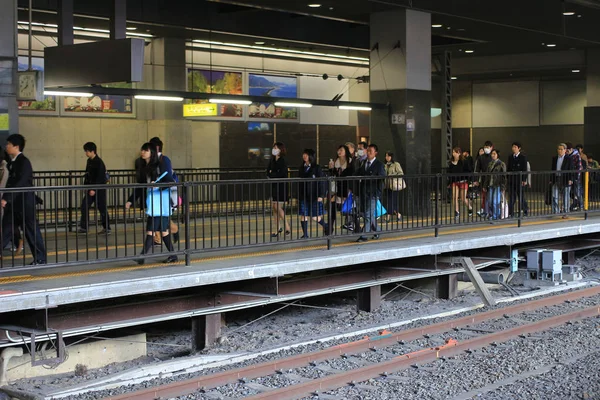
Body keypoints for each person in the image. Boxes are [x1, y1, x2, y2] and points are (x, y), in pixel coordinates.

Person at [125, 142, 177, 264]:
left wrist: (157, 186)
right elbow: (140, 186)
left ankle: (142, 257)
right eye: (142, 150)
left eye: (146, 150)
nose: (142, 152)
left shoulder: (160, 164)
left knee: (151, 230)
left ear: (152, 152)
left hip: (161, 203)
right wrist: (130, 200)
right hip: (154, 203)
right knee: (163, 231)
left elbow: (169, 181)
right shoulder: (144, 167)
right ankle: (173, 255)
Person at [0, 134, 47, 265]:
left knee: (31, 231)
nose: (7, 147)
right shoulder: (13, 162)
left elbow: (21, 182)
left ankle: (40, 258)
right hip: (14, 204)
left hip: (25, 204)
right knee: (6, 230)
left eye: (9, 144)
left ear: (16, 146)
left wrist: (6, 198)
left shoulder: (23, 162)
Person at [77, 142, 111, 235]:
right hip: (90, 188)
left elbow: (100, 177)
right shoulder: (89, 161)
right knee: (84, 206)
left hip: (98, 189)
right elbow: (88, 175)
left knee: (102, 208)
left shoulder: (99, 162)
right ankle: (84, 227)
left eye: (87, 151)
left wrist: (94, 189)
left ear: (92, 151)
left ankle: (107, 228)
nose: (86, 153)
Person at [356, 144, 386, 242]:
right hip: (364, 192)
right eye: (367, 151)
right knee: (368, 214)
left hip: (373, 193)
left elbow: (382, 178)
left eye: (370, 151)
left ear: (375, 153)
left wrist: (378, 192)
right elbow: (358, 173)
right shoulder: (364, 162)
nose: (368, 153)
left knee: (368, 214)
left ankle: (364, 235)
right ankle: (377, 231)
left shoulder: (379, 164)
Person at [298, 149, 328, 238]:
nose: (304, 156)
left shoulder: (317, 168)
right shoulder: (302, 167)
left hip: (314, 195)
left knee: (315, 216)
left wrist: (321, 195)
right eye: (304, 154)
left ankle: (326, 226)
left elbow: (321, 182)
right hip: (304, 194)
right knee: (303, 214)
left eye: (307, 154)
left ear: (311, 156)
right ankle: (305, 234)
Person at [266, 142, 290, 238]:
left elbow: (281, 174)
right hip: (274, 186)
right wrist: (272, 173)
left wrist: (273, 174)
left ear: (281, 150)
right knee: (274, 208)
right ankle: (277, 229)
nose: (274, 149)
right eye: (274, 147)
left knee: (277, 207)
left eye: (276, 148)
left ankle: (287, 226)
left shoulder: (283, 161)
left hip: (281, 187)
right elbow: (268, 171)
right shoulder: (272, 160)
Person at [328, 144, 353, 232]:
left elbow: (350, 174)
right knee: (332, 206)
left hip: (347, 189)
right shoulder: (336, 161)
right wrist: (331, 169)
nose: (339, 152)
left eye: (341, 150)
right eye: (338, 150)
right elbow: (334, 175)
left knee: (349, 209)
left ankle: (356, 227)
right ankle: (330, 228)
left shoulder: (350, 161)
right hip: (337, 188)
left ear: (346, 152)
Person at [447, 147, 472, 219]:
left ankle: (469, 207)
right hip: (455, 182)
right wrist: (449, 182)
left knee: (463, 198)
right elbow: (449, 173)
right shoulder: (451, 163)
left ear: (459, 153)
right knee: (454, 197)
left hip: (463, 181)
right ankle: (456, 212)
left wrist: (468, 180)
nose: (454, 153)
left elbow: (468, 170)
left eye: (455, 152)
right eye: (453, 152)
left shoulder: (464, 161)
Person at [551, 143, 574, 218]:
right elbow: (552, 169)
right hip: (556, 178)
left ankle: (565, 212)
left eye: (561, 149)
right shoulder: (555, 158)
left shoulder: (569, 158)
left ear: (565, 150)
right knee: (554, 195)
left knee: (566, 197)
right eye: (558, 149)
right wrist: (551, 179)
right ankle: (556, 211)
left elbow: (571, 169)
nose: (560, 151)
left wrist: (571, 179)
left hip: (566, 179)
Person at [482, 149, 506, 221]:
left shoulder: (502, 164)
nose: (493, 155)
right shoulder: (490, 164)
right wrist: (485, 185)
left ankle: (495, 216)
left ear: (497, 155)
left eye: (494, 154)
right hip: (490, 184)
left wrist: (503, 187)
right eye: (492, 154)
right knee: (490, 201)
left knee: (495, 202)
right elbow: (487, 176)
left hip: (497, 185)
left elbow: (504, 177)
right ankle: (491, 214)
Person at [506, 141, 529, 218]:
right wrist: (508, 177)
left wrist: (524, 180)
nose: (513, 148)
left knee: (521, 196)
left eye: (515, 147)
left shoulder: (523, 157)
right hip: (511, 180)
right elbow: (508, 168)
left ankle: (525, 210)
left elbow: (525, 169)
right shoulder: (510, 157)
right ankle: (511, 212)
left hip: (519, 180)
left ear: (519, 148)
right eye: (513, 147)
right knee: (511, 197)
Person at [474, 141, 494, 217]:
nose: (486, 149)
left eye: (488, 147)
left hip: (493, 180)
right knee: (485, 196)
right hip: (484, 180)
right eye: (485, 147)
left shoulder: (493, 157)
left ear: (491, 147)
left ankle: (492, 212)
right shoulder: (480, 158)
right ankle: (486, 211)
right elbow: (477, 169)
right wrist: (476, 180)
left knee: (492, 197)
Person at [384, 151, 404, 222]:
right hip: (387, 185)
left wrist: (393, 176)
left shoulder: (396, 164)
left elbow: (401, 173)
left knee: (391, 200)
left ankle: (388, 216)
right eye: (386, 156)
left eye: (388, 156)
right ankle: (398, 214)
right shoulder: (385, 165)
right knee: (391, 201)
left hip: (394, 185)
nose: (387, 157)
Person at [566, 142, 583, 211]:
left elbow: (579, 167)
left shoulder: (576, 155)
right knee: (571, 192)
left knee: (577, 191)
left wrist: (576, 177)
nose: (566, 152)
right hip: (569, 176)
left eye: (567, 150)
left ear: (571, 149)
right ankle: (574, 204)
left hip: (576, 177)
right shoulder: (567, 155)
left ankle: (581, 205)